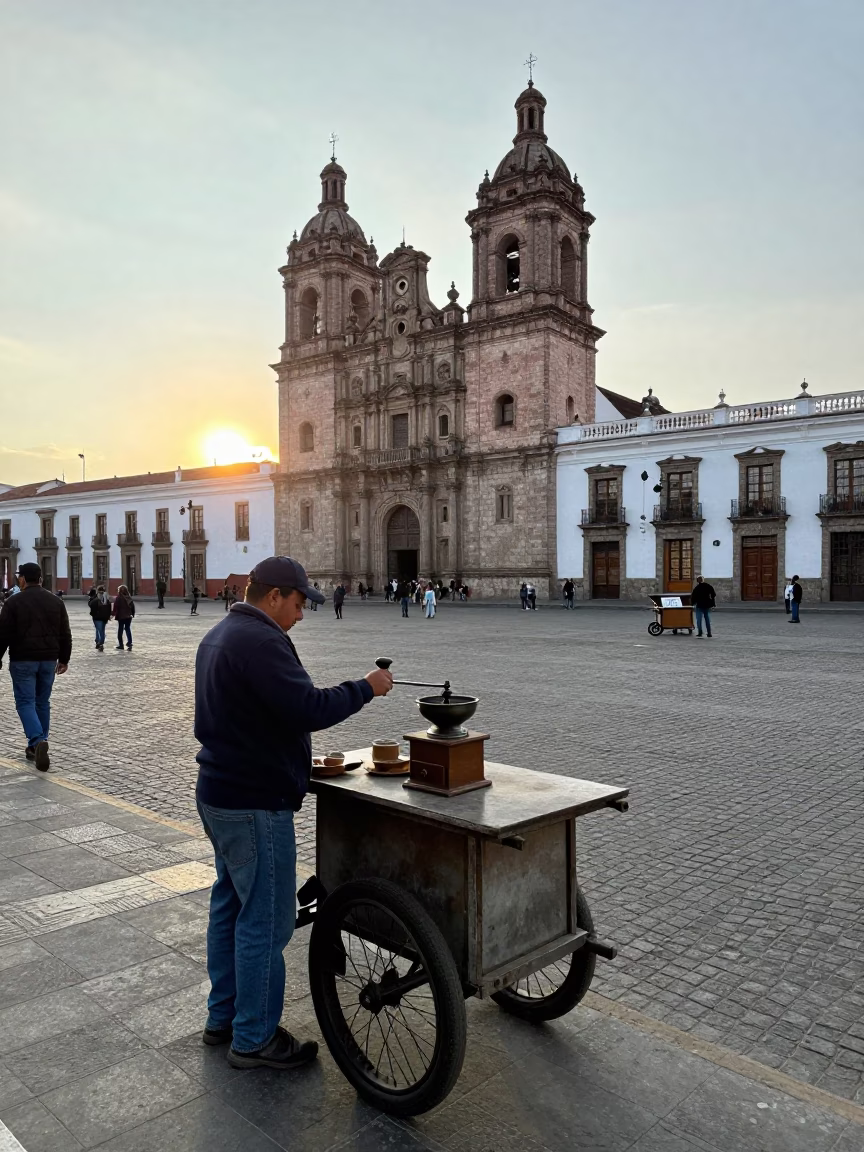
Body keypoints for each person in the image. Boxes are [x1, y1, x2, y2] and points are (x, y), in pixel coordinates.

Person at [194, 555, 393, 1069]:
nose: (302, 614)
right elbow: (308, 707)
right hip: (254, 802)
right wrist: (366, 688)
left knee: (231, 907)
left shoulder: (220, 634)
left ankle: (224, 1018)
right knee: (268, 920)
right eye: (300, 603)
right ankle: (255, 1038)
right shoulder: (260, 640)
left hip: (220, 792)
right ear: (275, 595)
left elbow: (258, 715)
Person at [0, 563, 71, 771]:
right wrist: (64, 659)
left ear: (23, 579)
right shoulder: (56, 601)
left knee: (25, 702)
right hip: (49, 660)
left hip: (23, 659)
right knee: (42, 702)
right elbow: (65, 633)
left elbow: (2, 634)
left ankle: (38, 740)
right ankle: (36, 746)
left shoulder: (13, 603)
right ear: (40, 579)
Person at [113, 584, 135, 650]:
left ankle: (121, 645)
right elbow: (132, 607)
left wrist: (113, 614)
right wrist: (132, 614)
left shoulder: (118, 598)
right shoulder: (129, 597)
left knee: (120, 630)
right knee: (128, 629)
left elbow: (116, 607)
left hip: (121, 616)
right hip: (128, 616)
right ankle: (129, 643)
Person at [89, 584, 111, 651]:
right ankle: (100, 643)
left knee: (98, 629)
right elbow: (109, 608)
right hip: (104, 617)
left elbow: (91, 605)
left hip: (97, 617)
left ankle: (98, 642)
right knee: (102, 630)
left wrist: (92, 614)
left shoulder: (96, 598)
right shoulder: (107, 598)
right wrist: (108, 616)